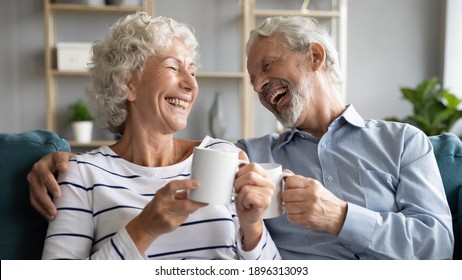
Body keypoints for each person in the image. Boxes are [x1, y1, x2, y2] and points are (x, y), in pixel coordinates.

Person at [29, 16, 454, 260]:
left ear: (315, 57)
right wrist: (55, 157)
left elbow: (438, 250)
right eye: (254, 80)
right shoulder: (244, 156)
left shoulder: (403, 142)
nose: (260, 86)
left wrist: (339, 216)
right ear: (128, 83)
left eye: (269, 66)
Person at [37, 12, 280, 260]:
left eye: (193, 72)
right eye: (174, 67)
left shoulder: (223, 156)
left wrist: (253, 228)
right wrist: (143, 229)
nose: (191, 84)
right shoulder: (82, 174)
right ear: (128, 84)